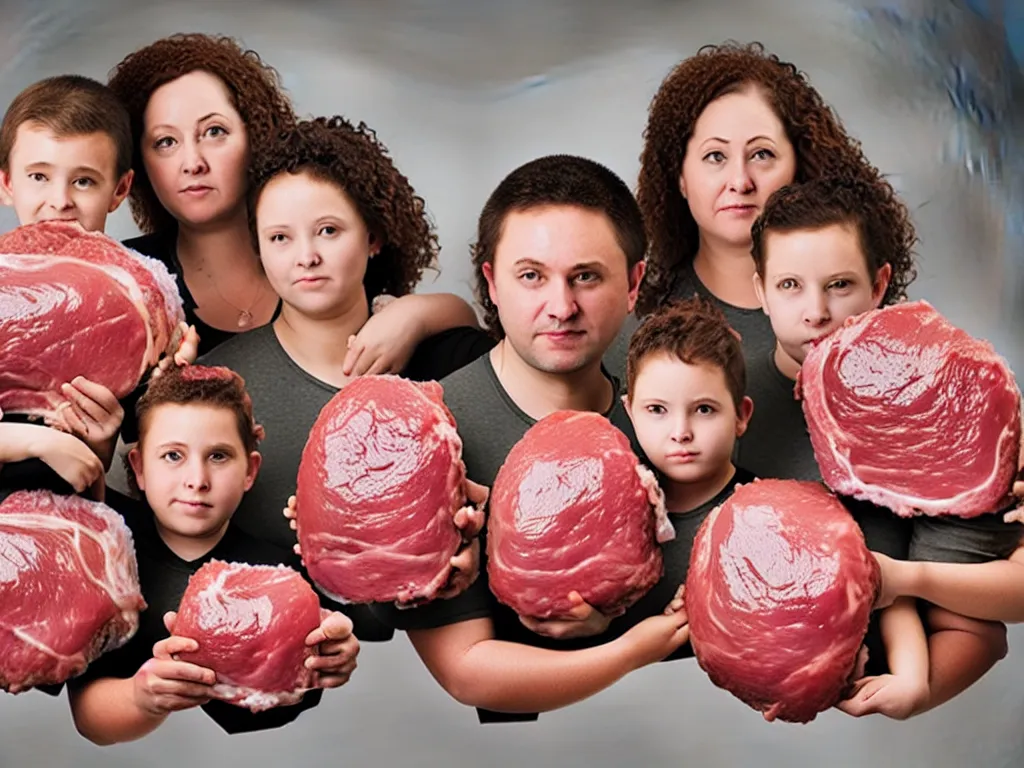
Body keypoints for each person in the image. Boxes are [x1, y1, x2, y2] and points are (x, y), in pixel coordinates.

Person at [359, 154, 689, 724]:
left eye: (586, 276)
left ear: (634, 284)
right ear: (492, 282)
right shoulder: (431, 434)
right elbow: (466, 671)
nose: (561, 308)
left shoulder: (673, 405)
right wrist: (626, 650)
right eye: (531, 276)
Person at [198, 115, 493, 639]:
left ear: (374, 236)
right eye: (280, 237)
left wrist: (421, 315)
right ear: (259, 249)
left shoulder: (447, 361)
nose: (306, 256)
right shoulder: (224, 387)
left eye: (328, 231)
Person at [106, 34, 478, 441]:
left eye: (214, 131)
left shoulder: (325, 251)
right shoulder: (131, 282)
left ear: (255, 133)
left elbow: (460, 335)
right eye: (165, 142)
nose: (192, 162)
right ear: (139, 165)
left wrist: (414, 316)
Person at [744, 175, 1009, 719]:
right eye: (790, 285)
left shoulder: (943, 396)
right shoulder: (720, 401)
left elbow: (986, 629)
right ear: (760, 290)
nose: (815, 311)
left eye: (839, 285)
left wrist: (919, 691)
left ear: (879, 283)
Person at [67, 365, 359, 743]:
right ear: (138, 468)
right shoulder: (98, 542)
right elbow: (89, 718)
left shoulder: (282, 575)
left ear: (249, 471)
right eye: (173, 456)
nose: (197, 480)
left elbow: (273, 710)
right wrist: (143, 697)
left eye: (218, 456)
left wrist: (328, 659)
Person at [604, 41, 914, 378]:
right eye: (715, 157)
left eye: (762, 154)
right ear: (679, 177)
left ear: (800, 165)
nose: (740, 181)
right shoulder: (630, 336)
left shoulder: (862, 329)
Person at [0, 74, 139, 478]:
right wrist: (36, 441)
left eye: (83, 181)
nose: (60, 201)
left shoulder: (136, 312)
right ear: (7, 183)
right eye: (39, 176)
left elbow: (97, 481)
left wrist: (99, 442)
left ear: (119, 190)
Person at [617, 296, 755, 647]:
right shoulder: (614, 509)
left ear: (741, 415)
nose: (681, 431)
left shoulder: (763, 510)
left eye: (704, 409)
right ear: (630, 411)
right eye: (657, 409)